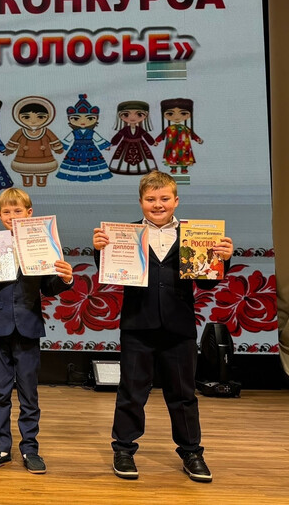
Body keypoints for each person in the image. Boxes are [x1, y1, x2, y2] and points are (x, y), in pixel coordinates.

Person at [92, 170, 233, 482]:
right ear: (141, 202)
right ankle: (124, 449)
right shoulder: (123, 235)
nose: (158, 204)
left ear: (176, 200)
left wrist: (223, 259)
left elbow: (207, 284)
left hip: (179, 328)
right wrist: (100, 250)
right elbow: (111, 273)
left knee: (183, 394)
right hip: (137, 327)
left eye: (164, 198)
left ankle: (192, 452)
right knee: (131, 391)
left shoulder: (195, 236)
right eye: (151, 199)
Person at [0, 187, 74, 474]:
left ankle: (30, 449)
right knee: (0, 392)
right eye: (7, 212)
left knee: (29, 393)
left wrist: (65, 279)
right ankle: (1, 447)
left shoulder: (42, 243)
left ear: (29, 213)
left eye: (18, 211)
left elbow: (48, 287)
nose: (12, 216)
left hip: (29, 326)